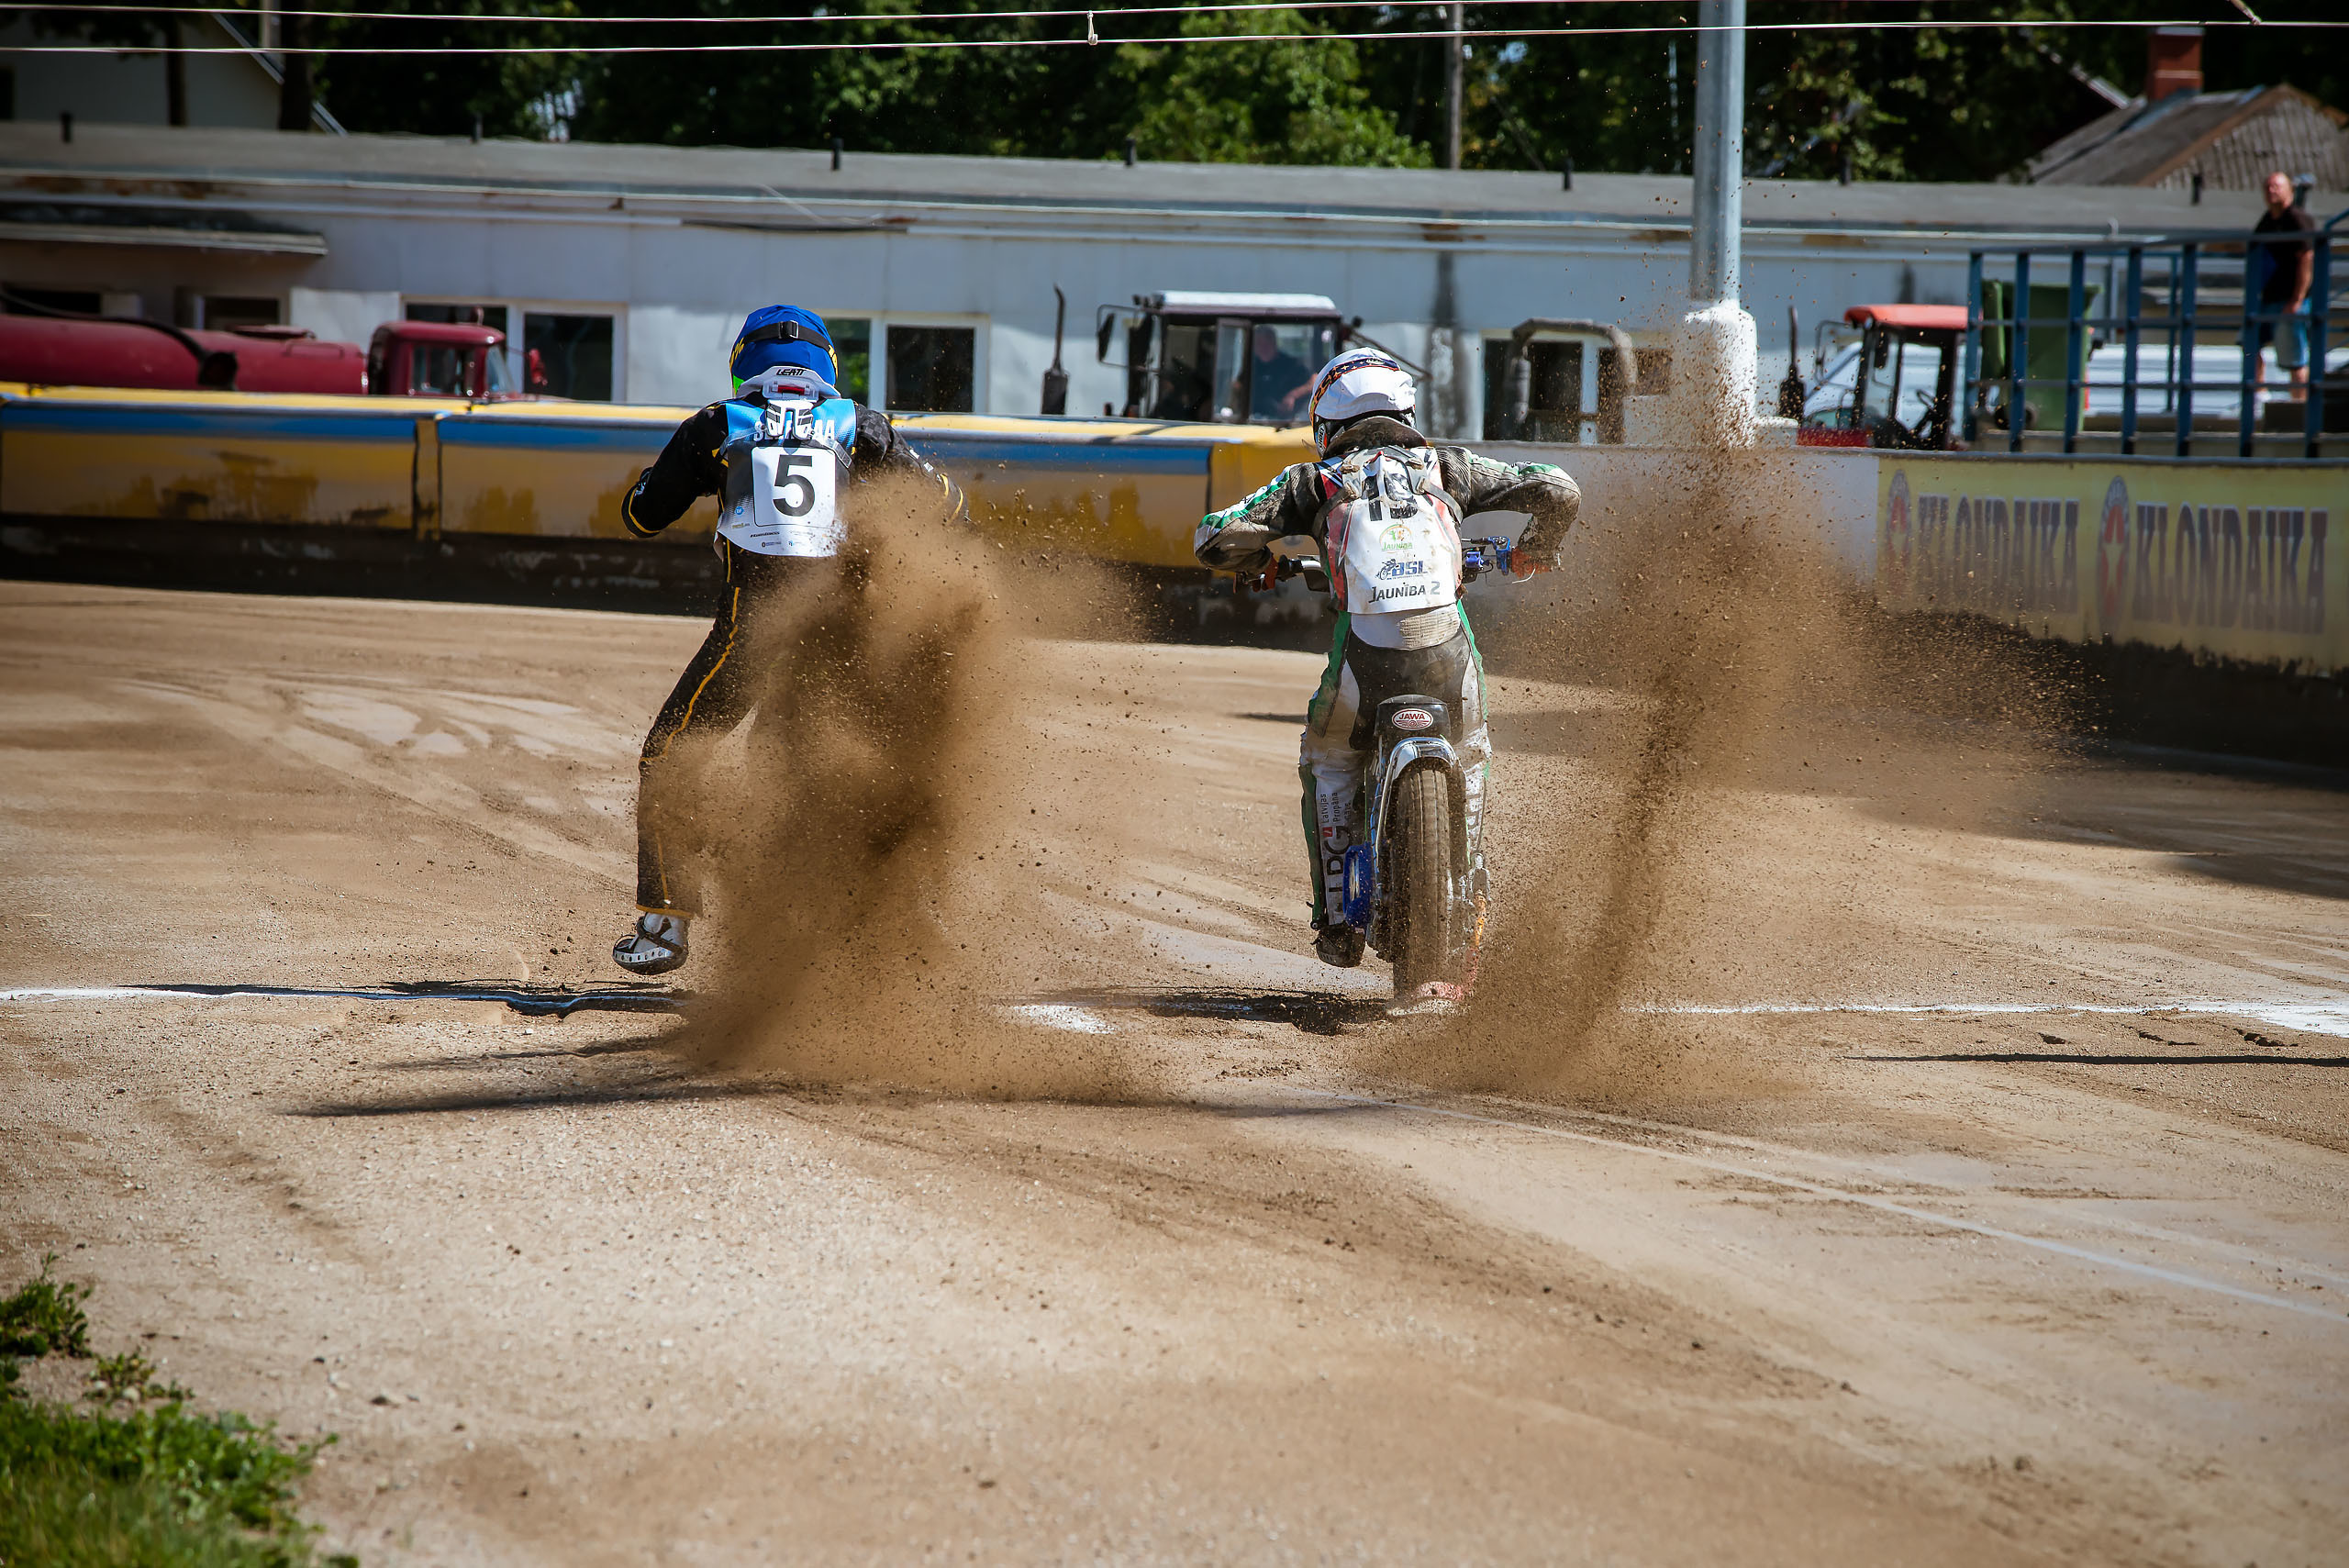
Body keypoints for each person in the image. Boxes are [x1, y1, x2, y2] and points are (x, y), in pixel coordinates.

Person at [1193, 349, 1581, 969]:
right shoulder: (1449, 468)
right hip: (1447, 658)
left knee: (1327, 757)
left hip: (1363, 667)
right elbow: (1559, 488)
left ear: (1327, 426)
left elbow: (1214, 535)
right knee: (1473, 749)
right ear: (1404, 411)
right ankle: (1470, 893)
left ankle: (1338, 919)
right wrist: (1535, 549)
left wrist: (1259, 562)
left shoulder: (1313, 482)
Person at [609, 305, 965, 974]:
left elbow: (642, 515)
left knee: (673, 756)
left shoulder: (719, 424)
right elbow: (947, 507)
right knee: (844, 770)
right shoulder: (861, 427)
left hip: (754, 630)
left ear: (745, 361)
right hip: (844, 637)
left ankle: (665, 923)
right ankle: (904, 926)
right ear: (825, 363)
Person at [2252, 170, 2315, 400]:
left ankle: (2298, 407)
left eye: (2276, 187)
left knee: (2294, 358)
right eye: (2267, 187)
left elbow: (2307, 257)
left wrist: (2297, 299)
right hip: (2268, 297)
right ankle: (2258, 396)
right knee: (2249, 343)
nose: (2271, 192)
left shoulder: (2297, 219)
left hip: (2291, 299)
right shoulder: (2267, 220)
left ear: (2289, 190)